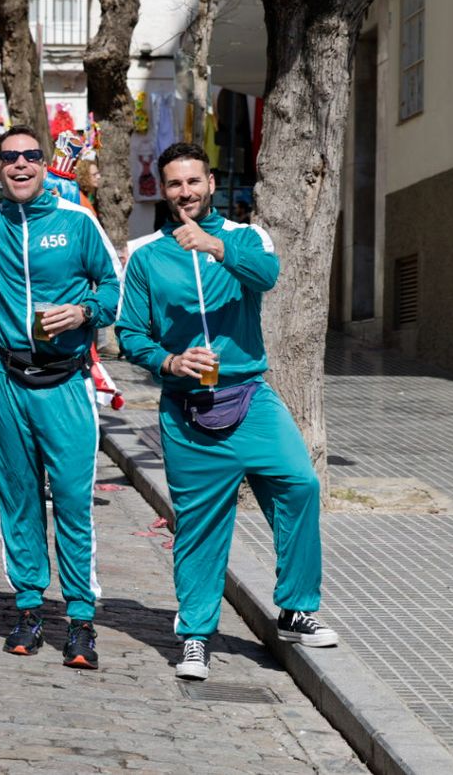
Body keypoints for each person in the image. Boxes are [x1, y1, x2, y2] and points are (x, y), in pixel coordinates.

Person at [116, 142, 336, 681]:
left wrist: (215, 246)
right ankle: (195, 636)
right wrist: (169, 361)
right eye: (174, 183)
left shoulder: (244, 237)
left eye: (194, 181)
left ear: (211, 183)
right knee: (199, 525)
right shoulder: (146, 257)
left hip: (250, 395)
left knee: (300, 484)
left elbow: (267, 276)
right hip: (186, 409)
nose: (185, 192)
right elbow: (130, 334)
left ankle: (295, 609)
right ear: (163, 190)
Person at [0, 124, 120, 670]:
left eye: (31, 155)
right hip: (8, 381)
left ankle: (80, 620)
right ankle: (28, 609)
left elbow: (114, 287)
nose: (21, 165)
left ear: (43, 163)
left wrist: (83, 313)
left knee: (73, 502)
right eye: (10, 158)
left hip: (67, 382)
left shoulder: (77, 220)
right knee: (18, 500)